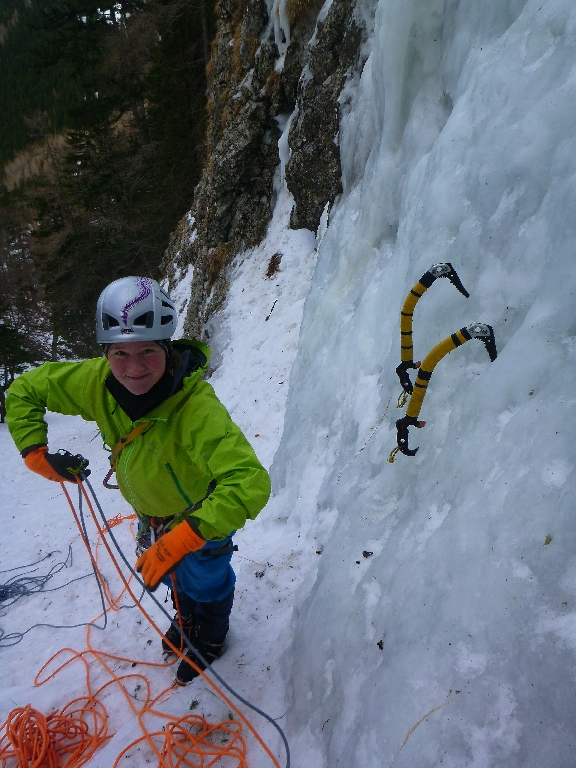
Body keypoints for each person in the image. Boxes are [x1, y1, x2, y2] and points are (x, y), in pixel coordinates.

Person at [5, 276, 271, 684]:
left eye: (147, 351)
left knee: (205, 578)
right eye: (120, 353)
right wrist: (34, 453)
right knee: (174, 575)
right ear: (106, 353)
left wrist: (187, 535)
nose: (134, 368)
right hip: (153, 514)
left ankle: (212, 636)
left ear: (166, 347)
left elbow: (249, 480)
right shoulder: (97, 383)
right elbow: (25, 389)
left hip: (203, 518)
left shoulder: (195, 407)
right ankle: (187, 622)